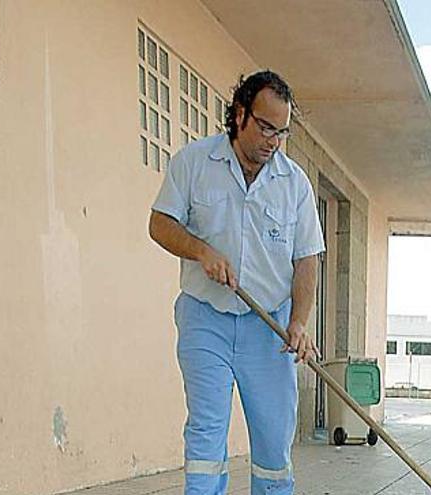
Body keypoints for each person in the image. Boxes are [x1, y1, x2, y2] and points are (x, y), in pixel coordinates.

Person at [148, 70, 325, 495]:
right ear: (240, 113)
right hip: (204, 318)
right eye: (265, 127)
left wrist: (299, 322)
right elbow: (159, 224)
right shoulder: (193, 163)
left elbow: (307, 259)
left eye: (281, 133)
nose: (272, 141)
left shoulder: (294, 184)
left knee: (272, 440)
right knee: (207, 431)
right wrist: (200, 250)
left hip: (269, 326)